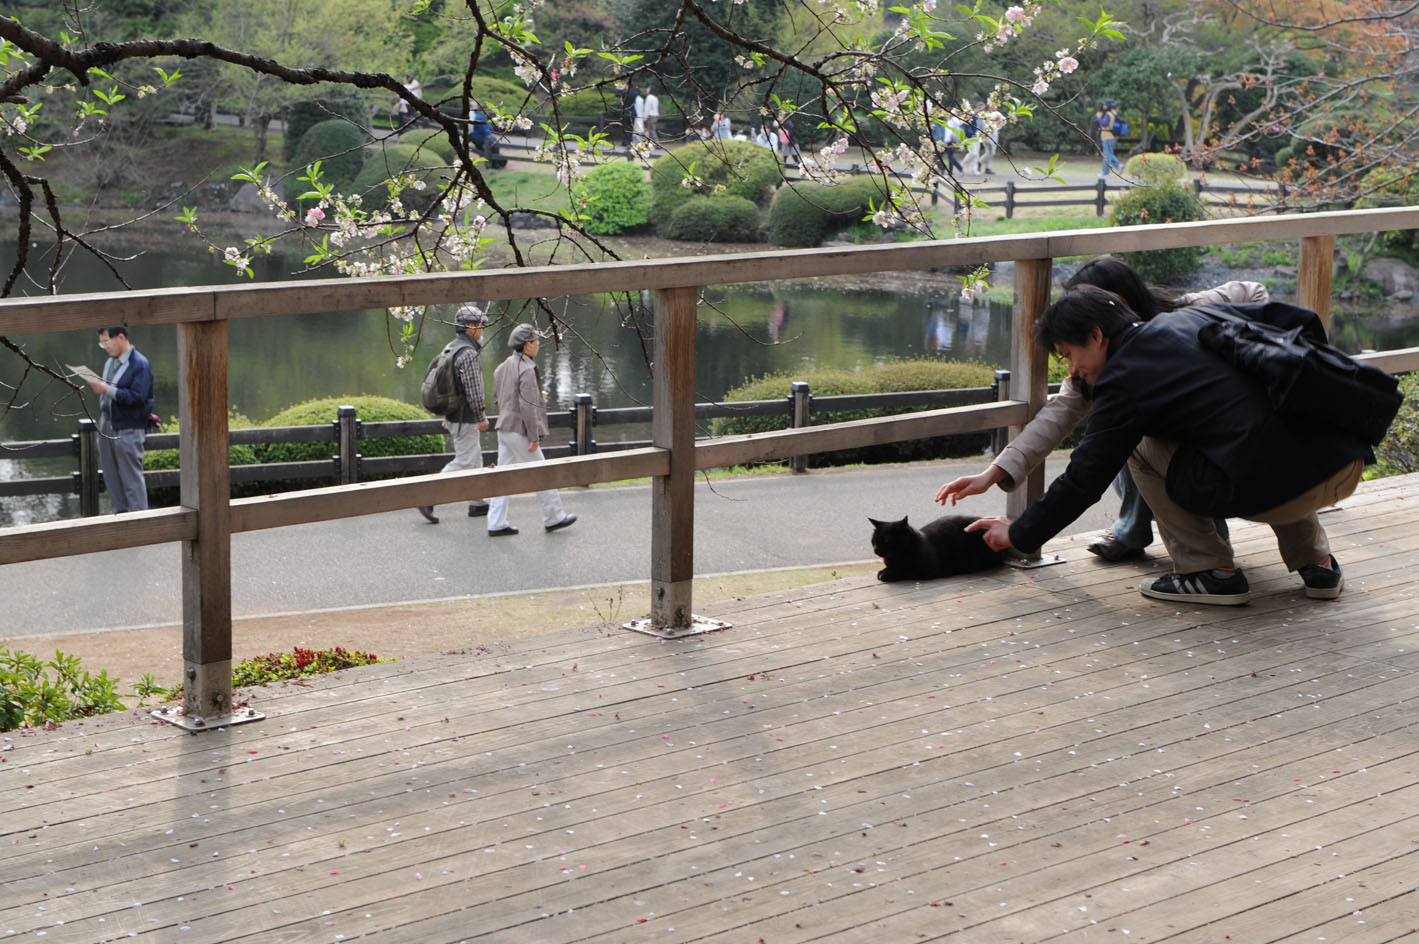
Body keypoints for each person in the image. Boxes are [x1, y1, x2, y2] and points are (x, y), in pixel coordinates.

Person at [957, 285, 1368, 606]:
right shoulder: (1194, 319)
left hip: (1277, 492)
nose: (1073, 369)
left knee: (1141, 447)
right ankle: (1319, 565)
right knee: (1264, 430)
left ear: (1096, 336)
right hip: (1342, 465)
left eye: (1068, 354)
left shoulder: (1125, 378)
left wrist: (1020, 531)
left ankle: (1209, 572)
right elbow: (1303, 320)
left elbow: (1086, 477)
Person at [938, 256, 1268, 562]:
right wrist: (992, 473)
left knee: (1139, 436)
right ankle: (1140, 531)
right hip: (1260, 460)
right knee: (1129, 434)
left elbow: (1253, 293)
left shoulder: (1184, 317)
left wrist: (1247, 361)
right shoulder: (1095, 367)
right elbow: (1057, 416)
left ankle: (1204, 557)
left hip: (1230, 443)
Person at [486, 323, 577, 537]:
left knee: (502, 476)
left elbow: (496, 397)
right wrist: (534, 436)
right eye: (536, 341)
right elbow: (527, 405)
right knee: (542, 473)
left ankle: (496, 522)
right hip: (520, 430)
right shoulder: (526, 370)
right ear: (527, 345)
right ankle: (554, 517)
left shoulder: (504, 366)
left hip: (504, 427)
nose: (538, 344)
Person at [419, 303, 492, 525]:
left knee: (474, 457)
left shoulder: (451, 347)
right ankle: (427, 497)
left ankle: (478, 503)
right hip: (465, 418)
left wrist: (446, 415)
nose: (482, 330)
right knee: (464, 461)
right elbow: (474, 390)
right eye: (480, 326)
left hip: (453, 416)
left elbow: (449, 386)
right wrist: (481, 417)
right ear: (470, 327)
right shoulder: (468, 354)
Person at [87, 326, 153, 513]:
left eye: (106, 342)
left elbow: (138, 397)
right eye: (102, 343)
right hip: (107, 423)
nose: (105, 346)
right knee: (111, 476)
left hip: (128, 426)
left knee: (131, 477)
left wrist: (106, 390)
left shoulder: (140, 364)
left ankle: (140, 521)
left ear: (121, 337)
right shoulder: (110, 362)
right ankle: (121, 519)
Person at [1098, 100, 1123, 178]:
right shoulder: (1114, 113)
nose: (1103, 106)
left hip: (1107, 136)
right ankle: (1119, 166)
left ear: (1108, 106)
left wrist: (1099, 118)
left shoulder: (1108, 114)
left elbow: (1104, 124)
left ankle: (1105, 172)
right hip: (1112, 136)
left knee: (1106, 155)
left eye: (1105, 105)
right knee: (1109, 154)